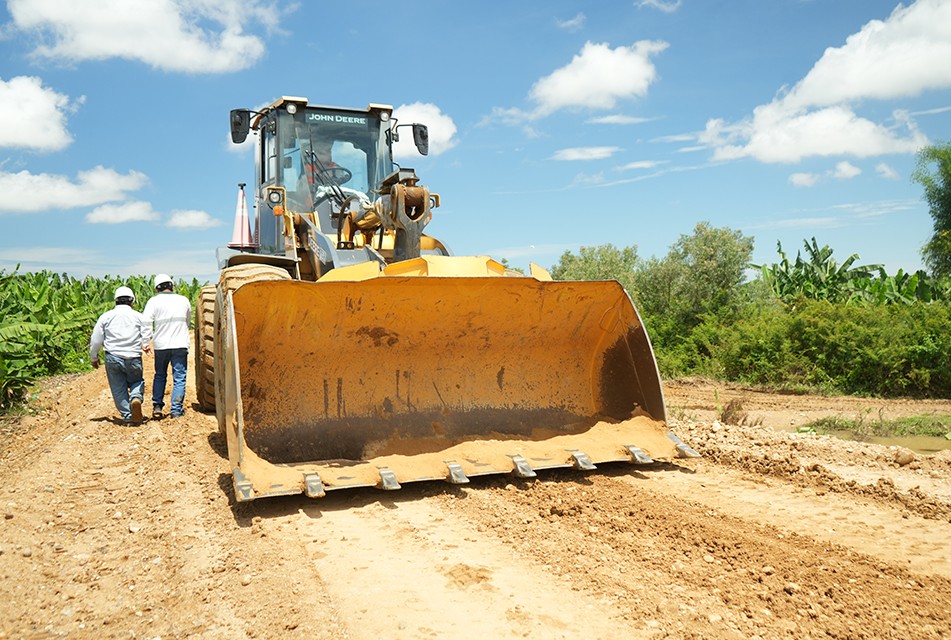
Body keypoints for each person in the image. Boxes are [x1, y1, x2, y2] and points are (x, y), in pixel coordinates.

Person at [89, 286, 149, 424]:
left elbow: (96, 339)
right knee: (136, 381)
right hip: (133, 356)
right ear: (132, 301)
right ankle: (135, 396)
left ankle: (128, 416)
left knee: (118, 387)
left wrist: (94, 357)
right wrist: (145, 344)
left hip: (113, 357)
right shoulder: (139, 316)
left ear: (115, 301)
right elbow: (147, 333)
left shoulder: (106, 316)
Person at [142, 274, 192, 419]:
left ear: (157, 288)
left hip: (161, 345)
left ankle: (157, 406)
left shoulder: (153, 302)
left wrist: (145, 342)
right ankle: (176, 410)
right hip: (180, 344)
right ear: (171, 286)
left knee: (160, 375)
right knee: (179, 377)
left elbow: (146, 323)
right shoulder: (183, 300)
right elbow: (187, 321)